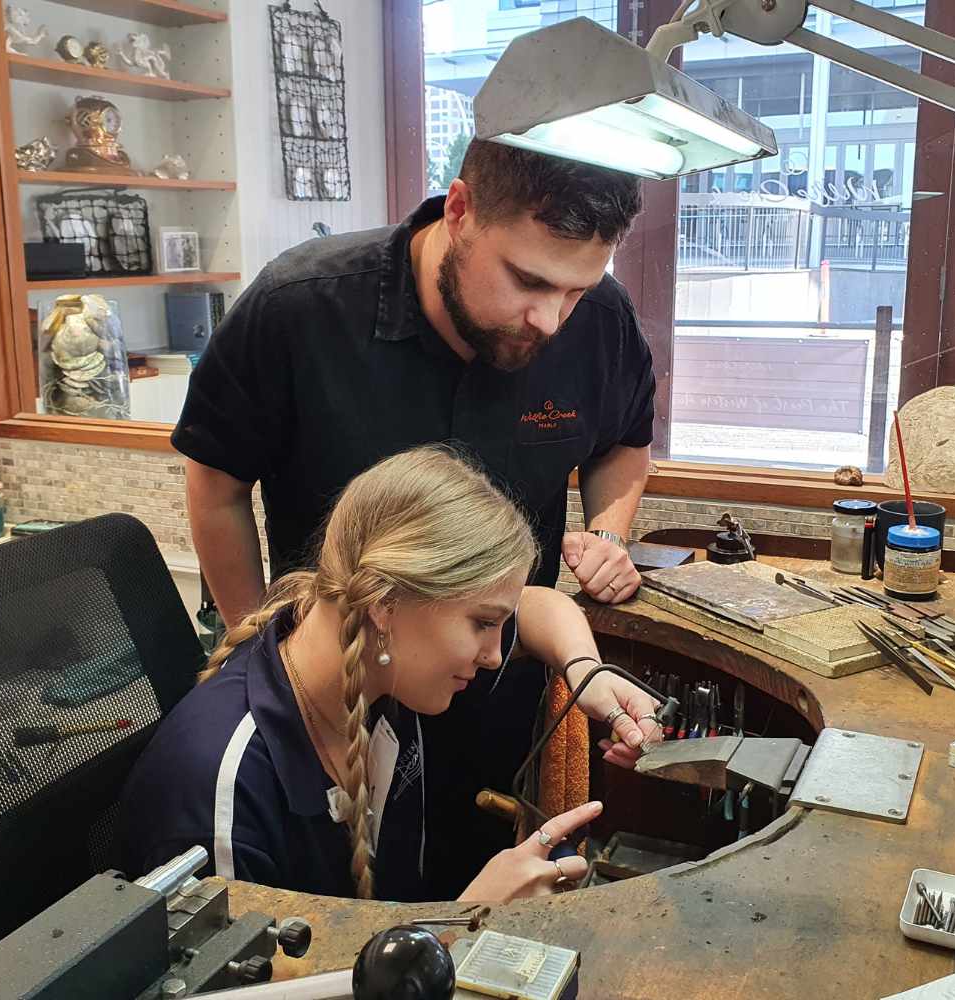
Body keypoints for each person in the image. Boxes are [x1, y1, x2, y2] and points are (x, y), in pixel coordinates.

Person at [172, 139, 656, 895]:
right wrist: (268, 671)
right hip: (335, 699)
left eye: (577, 291)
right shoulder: (298, 308)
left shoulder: (595, 319)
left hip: (482, 694)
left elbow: (624, 445)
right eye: (528, 280)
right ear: (459, 211)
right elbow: (216, 487)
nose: (553, 320)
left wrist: (606, 537)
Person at [121, 447, 661, 902]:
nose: (495, 655)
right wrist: (463, 923)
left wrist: (587, 673)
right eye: (482, 624)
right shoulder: (224, 790)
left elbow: (540, 608)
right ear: (385, 602)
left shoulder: (372, 655)